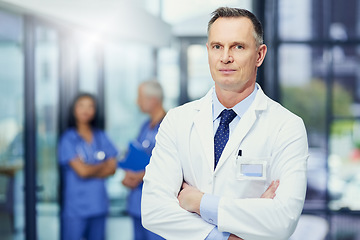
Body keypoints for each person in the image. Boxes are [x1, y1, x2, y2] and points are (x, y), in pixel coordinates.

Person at [141, 7, 308, 240]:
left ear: (259, 55)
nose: (225, 57)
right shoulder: (178, 120)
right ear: (208, 50)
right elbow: (153, 210)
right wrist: (228, 237)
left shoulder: (286, 126)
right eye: (217, 46)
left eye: (238, 47)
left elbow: (283, 220)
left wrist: (199, 203)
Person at [58, 93, 118, 240]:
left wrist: (88, 167)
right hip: (76, 208)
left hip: (98, 204)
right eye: (81, 105)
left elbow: (113, 168)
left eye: (90, 106)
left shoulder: (101, 136)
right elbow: (82, 172)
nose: (86, 110)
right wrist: (102, 165)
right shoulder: (68, 139)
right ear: (73, 109)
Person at [120, 80, 166, 240]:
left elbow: (169, 164)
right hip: (137, 202)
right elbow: (135, 154)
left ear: (152, 99)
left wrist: (140, 176)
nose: (136, 102)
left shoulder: (169, 125)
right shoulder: (145, 126)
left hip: (157, 205)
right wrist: (128, 173)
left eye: (139, 97)